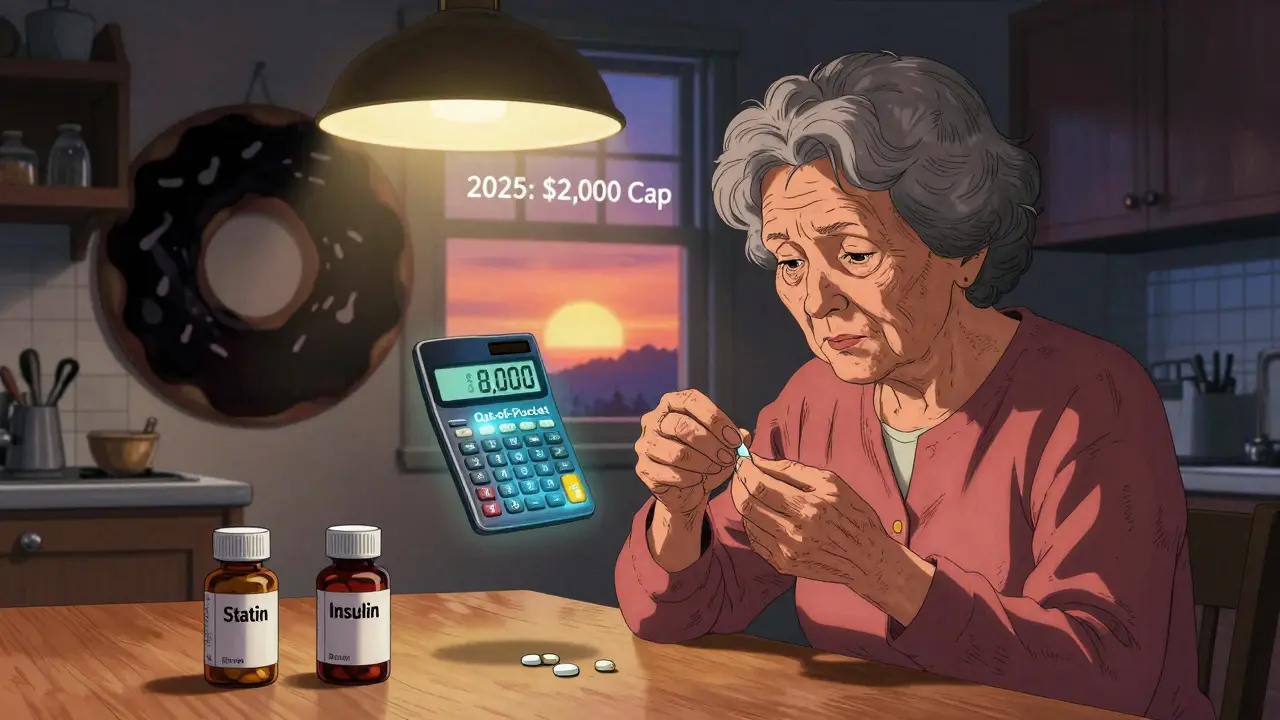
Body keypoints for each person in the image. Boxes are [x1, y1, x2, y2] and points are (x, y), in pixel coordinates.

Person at [613, 52, 1214, 719]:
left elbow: (1107, 674)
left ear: (963, 249)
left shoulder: (1090, 395)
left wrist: (881, 570)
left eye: (856, 254)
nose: (816, 300)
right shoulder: (813, 402)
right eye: (790, 261)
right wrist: (680, 505)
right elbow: (674, 615)